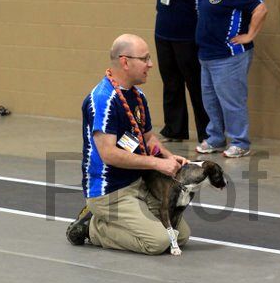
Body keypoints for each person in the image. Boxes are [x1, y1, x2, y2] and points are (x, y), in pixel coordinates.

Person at [66, 34, 190, 255]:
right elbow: (109, 154)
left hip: (138, 184)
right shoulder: (102, 99)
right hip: (109, 192)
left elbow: (148, 138)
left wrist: (168, 157)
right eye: (145, 59)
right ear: (125, 61)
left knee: (181, 236)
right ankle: (92, 227)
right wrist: (156, 164)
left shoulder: (138, 96)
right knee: (159, 242)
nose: (150, 64)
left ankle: (112, 222)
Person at [195, 0, 268, 157]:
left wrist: (250, 35)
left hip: (229, 57)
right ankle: (216, 138)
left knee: (231, 100)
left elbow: (261, 8)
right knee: (211, 100)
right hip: (207, 56)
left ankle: (240, 142)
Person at [154, 0, 215, 148]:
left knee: (196, 84)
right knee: (171, 83)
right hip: (163, 35)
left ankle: (208, 133)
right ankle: (175, 129)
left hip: (188, 37)